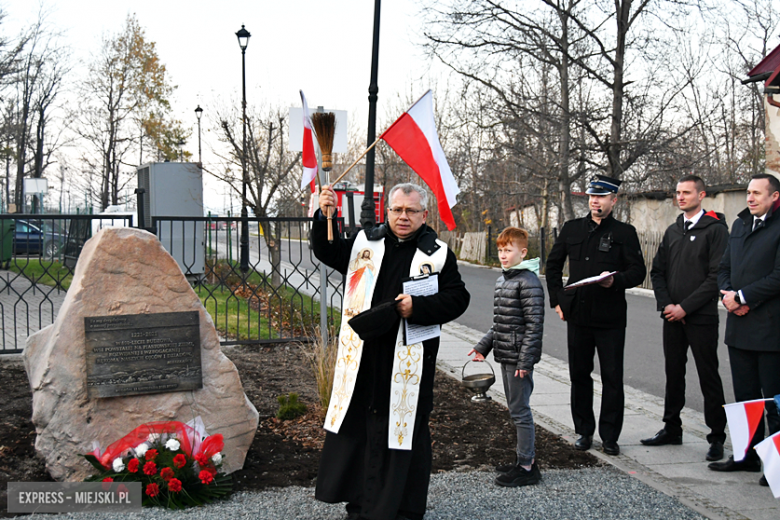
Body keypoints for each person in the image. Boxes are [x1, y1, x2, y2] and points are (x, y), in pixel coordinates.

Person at [312, 182, 470, 520]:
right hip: (364, 358)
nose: (403, 217)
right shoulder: (365, 243)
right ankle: (361, 504)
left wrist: (419, 307)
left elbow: (459, 298)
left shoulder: (437, 254)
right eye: (397, 209)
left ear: (424, 215)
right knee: (361, 432)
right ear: (388, 210)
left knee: (402, 435)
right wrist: (324, 214)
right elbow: (327, 251)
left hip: (407, 362)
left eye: (411, 211)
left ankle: (402, 509)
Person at [546, 174, 646, 456]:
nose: (595, 201)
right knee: (579, 374)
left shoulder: (625, 233)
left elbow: (638, 271)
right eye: (592, 196)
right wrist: (558, 301)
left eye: (601, 197)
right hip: (578, 314)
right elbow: (552, 267)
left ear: (613, 200)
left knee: (612, 377)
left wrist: (615, 281)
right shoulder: (572, 229)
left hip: (610, 316)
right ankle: (584, 431)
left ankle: (610, 436)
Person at [641, 175, 728, 462]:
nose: (681, 197)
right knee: (673, 374)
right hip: (672, 318)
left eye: (687, 192)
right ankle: (671, 427)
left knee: (708, 375)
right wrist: (667, 305)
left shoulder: (715, 230)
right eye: (678, 192)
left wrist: (685, 308)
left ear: (701, 195)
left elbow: (716, 277)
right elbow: (658, 272)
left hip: (700, 318)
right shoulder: (672, 231)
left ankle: (716, 436)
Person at [711, 173, 780, 488]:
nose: (749, 198)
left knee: (773, 401)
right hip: (739, 328)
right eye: (748, 193)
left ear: (774, 197)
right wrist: (728, 295)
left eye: (756, 193)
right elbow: (724, 267)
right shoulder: (739, 225)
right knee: (745, 398)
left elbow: (778, 276)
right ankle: (746, 455)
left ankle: (776, 466)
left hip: (771, 329)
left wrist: (742, 297)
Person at [468, 227, 544, 487]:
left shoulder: (529, 281)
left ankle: (527, 467)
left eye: (508, 250)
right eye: (500, 250)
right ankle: (523, 459)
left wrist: (525, 361)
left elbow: (535, 326)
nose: (503, 255)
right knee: (515, 409)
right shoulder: (504, 279)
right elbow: (499, 322)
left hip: (518, 358)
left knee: (521, 411)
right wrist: (482, 347)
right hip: (507, 354)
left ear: (522, 252)